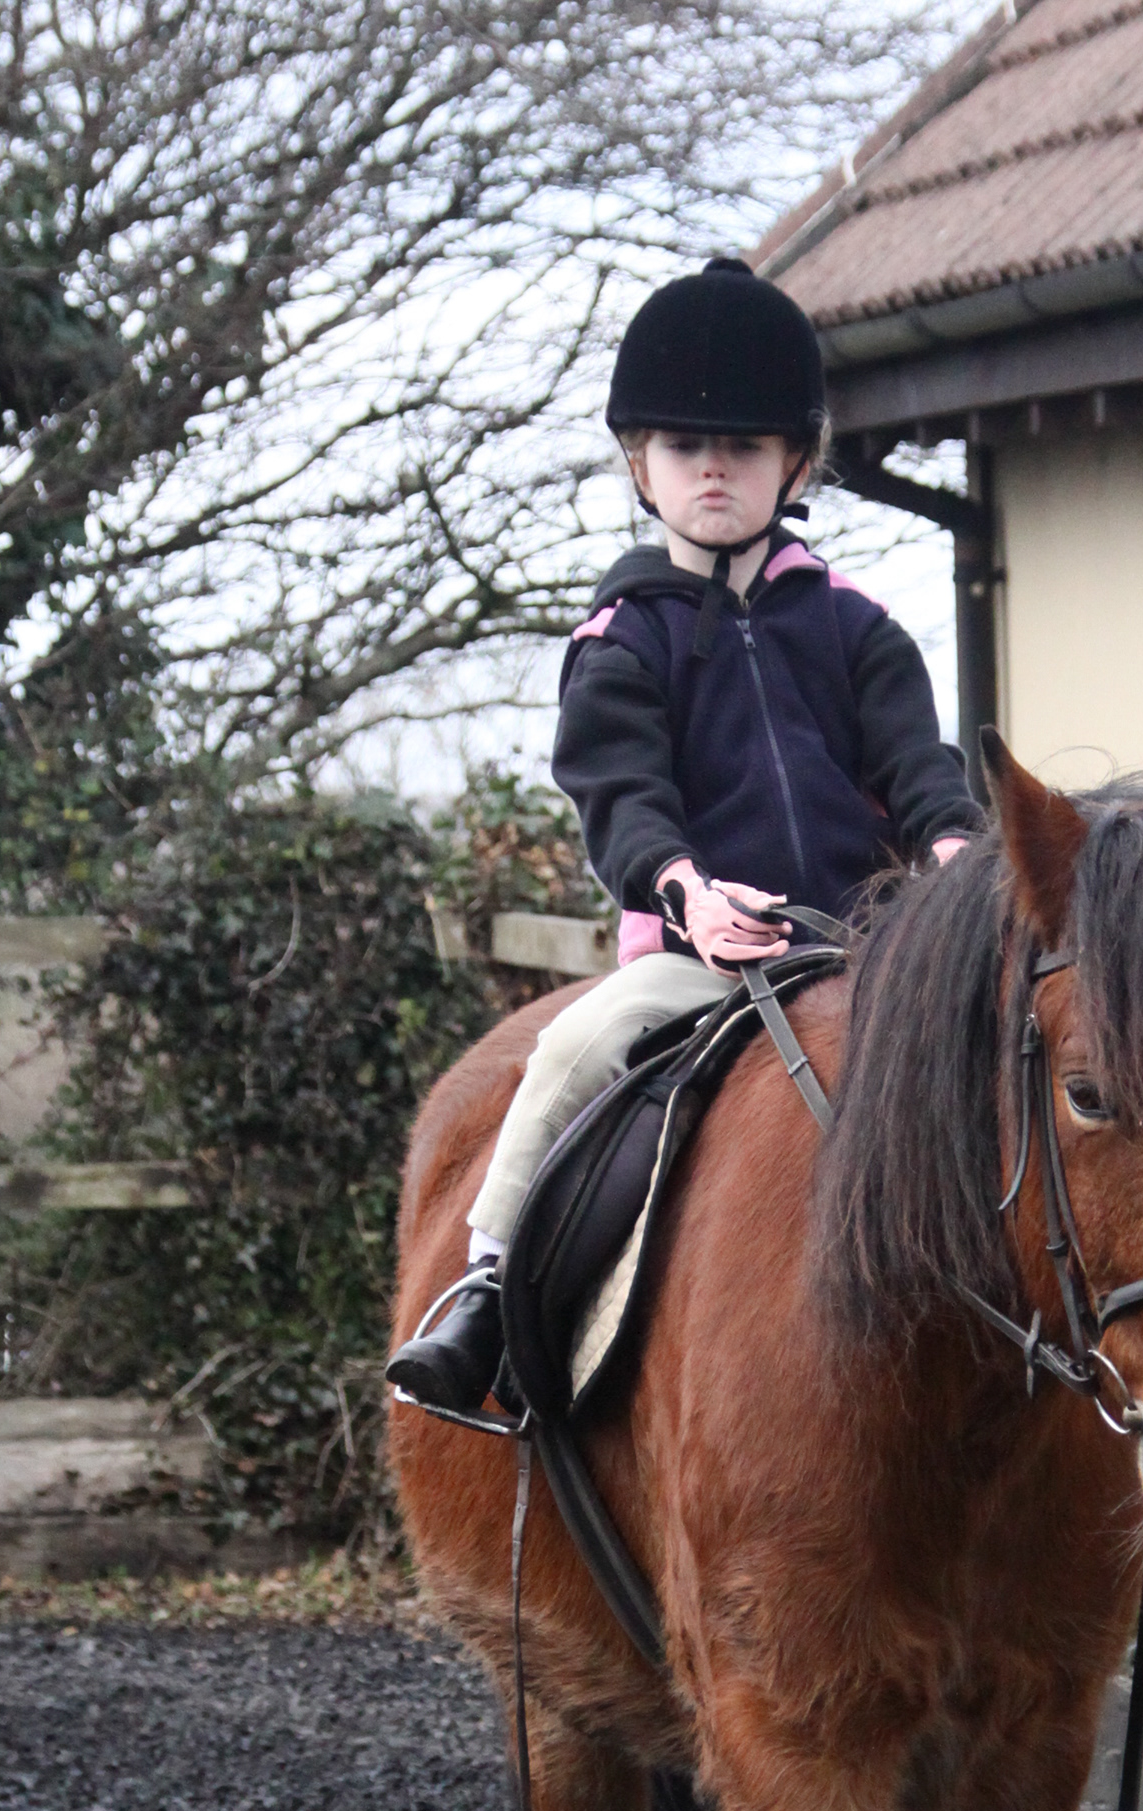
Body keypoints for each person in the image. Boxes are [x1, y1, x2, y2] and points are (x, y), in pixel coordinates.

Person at [387, 256, 980, 1414]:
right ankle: (485, 1289)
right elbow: (622, 797)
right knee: (568, 1049)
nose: (715, 470)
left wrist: (955, 848)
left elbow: (918, 765)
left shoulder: (858, 627)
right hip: (697, 956)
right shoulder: (621, 638)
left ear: (794, 465)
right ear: (639, 466)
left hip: (864, 951)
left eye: (746, 450)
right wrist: (689, 895)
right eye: (685, 451)